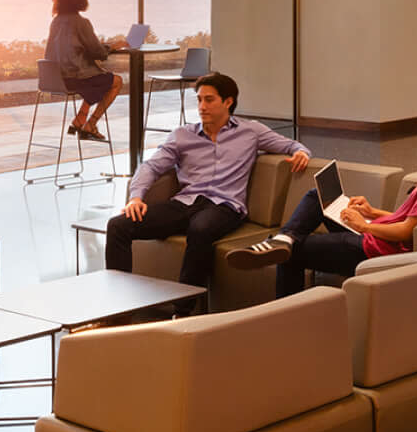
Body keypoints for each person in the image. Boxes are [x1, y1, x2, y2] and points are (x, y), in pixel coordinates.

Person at [226, 104, 417, 297]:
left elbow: (408, 232)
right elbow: (412, 218)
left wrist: (363, 225)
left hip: (375, 250)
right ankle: (283, 238)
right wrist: (371, 211)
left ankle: (287, 317)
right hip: (379, 239)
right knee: (318, 198)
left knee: (293, 253)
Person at [107, 71, 310, 303]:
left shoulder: (250, 131)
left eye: (209, 99)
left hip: (225, 206)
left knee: (201, 229)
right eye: (199, 99)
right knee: (118, 226)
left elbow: (292, 145)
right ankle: (117, 307)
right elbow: (151, 166)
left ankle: (183, 311)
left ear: (228, 101)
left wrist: (301, 153)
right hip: (184, 203)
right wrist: (136, 197)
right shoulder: (182, 135)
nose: (202, 106)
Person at [45, 0, 122, 141]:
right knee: (115, 81)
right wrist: (113, 46)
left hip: (57, 79)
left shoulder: (56, 22)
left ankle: (81, 118)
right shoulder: (81, 22)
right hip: (76, 78)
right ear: (80, 0)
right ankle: (90, 124)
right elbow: (99, 53)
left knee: (100, 80)